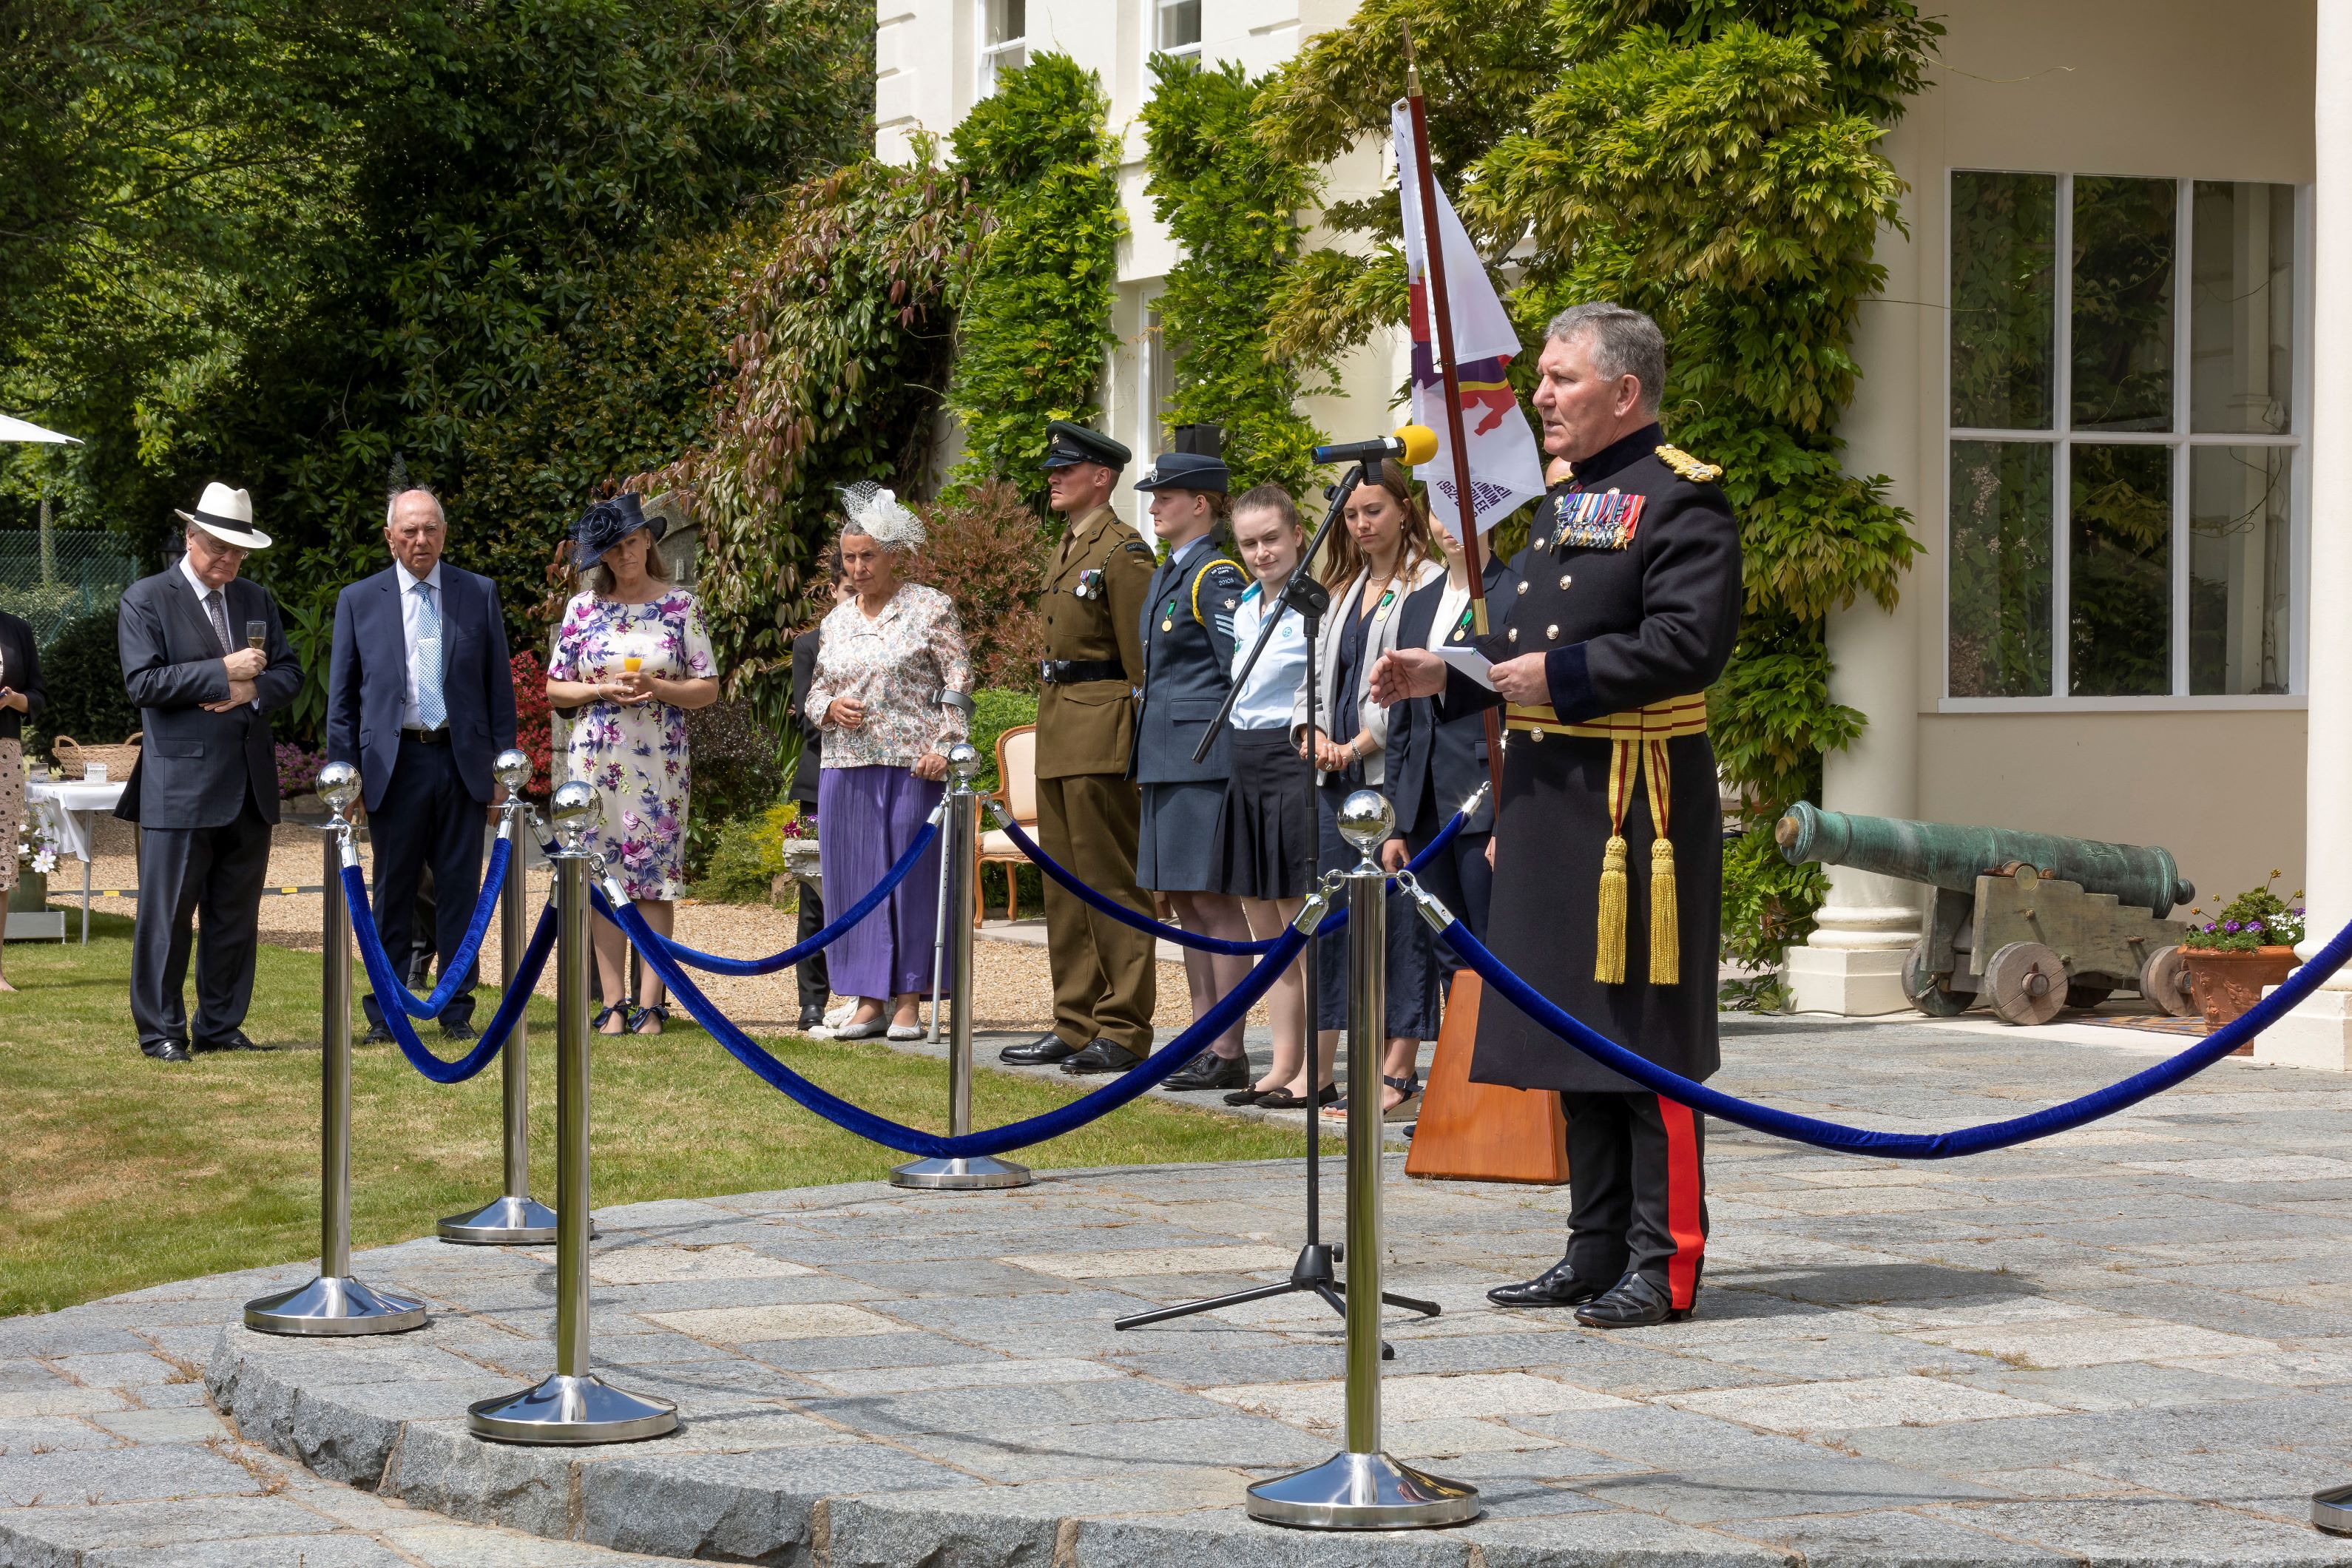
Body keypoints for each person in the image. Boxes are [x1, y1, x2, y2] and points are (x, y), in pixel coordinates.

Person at [1372, 302, 1742, 1328]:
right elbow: (1519, 633)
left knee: (1641, 1036)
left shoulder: (1683, 502)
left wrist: (1557, 676)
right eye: (1541, 378)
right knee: (1576, 1038)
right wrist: (1443, 671)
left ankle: (1663, 1260)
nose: (1539, 396)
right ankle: (1591, 1248)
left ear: (1624, 392)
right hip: (1549, 802)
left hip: (1637, 810)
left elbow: (1684, 646)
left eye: (1561, 379)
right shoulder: (1569, 499)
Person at [115, 483, 303, 1061]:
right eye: (219, 546)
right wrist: (221, 670)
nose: (229, 559)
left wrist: (251, 687)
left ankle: (220, 1027)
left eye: (239, 551)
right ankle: (161, 1032)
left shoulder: (255, 597)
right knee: (167, 920)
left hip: (248, 786)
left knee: (233, 921)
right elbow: (142, 684)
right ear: (190, 537)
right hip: (179, 788)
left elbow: (291, 673)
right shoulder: (147, 599)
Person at [328, 487, 518, 1044]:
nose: (420, 539)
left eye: (430, 528)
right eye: (409, 530)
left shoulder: (477, 593)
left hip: (463, 762)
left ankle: (457, 1008)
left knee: (461, 890)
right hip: (394, 762)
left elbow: (497, 691)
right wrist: (347, 779)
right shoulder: (359, 599)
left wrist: (502, 776)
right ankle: (386, 1014)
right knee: (391, 891)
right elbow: (343, 699)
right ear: (390, 537)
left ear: (444, 533)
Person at [999, 422, 1160, 1071]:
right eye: (1052, 470)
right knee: (1064, 885)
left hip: (1103, 729)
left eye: (1067, 469)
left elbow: (1143, 666)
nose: (1053, 478)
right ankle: (1074, 1021)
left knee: (1110, 884)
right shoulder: (1068, 545)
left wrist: (1140, 749)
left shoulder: (1123, 552)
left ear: (1102, 476)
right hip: (1060, 724)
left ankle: (1122, 1028)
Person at [1295, 460, 1447, 1120]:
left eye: (1373, 511)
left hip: (1390, 776)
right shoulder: (1340, 586)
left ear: (1405, 510)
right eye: (1351, 514)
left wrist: (1358, 743)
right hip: (1336, 778)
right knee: (1336, 924)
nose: (1360, 524)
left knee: (1399, 924)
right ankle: (1339, 1067)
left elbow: (1411, 694)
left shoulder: (1429, 585)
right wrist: (1311, 732)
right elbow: (1318, 671)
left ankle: (1397, 1071)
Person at [546, 493, 720, 1034]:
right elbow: (555, 688)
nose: (624, 555)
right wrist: (600, 687)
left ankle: (653, 1003)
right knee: (602, 881)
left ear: (649, 541)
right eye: (613, 548)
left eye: (631, 542)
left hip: (659, 760)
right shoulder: (582, 608)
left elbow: (708, 689)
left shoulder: (680, 608)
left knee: (653, 879)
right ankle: (614, 1004)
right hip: (595, 758)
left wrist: (657, 687)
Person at [803, 483, 970, 1041]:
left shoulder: (931, 606)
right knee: (855, 884)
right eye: (850, 557)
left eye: (868, 556)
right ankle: (866, 1001)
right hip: (844, 765)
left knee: (912, 883)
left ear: (894, 555)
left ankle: (908, 1001)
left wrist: (945, 745)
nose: (857, 567)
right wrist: (828, 706)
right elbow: (813, 691)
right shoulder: (836, 621)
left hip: (912, 765)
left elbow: (959, 682)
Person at [1118, 450, 1252, 1089]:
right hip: (1169, 759)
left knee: (1214, 904)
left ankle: (1228, 1046)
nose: (1154, 505)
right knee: (1188, 910)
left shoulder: (1215, 575)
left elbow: (1238, 675)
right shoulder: (1174, 572)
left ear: (1200, 503)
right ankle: (1205, 1036)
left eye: (1165, 496)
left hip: (1201, 760)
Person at [1210, 485, 1319, 1109]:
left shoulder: (1314, 606)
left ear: (1297, 532)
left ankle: (1313, 1068)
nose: (1260, 552)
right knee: (1265, 929)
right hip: (1244, 760)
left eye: (1271, 538)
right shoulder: (1247, 604)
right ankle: (1281, 1065)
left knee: (1296, 921)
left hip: (1291, 757)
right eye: (1249, 542)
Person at [1388, 511, 1520, 970]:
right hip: (1424, 800)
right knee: (1445, 946)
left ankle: (1492, 1044)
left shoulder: (1514, 592)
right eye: (1440, 511)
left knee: (1490, 940)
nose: (1452, 526)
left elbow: (1520, 714)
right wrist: (1396, 820)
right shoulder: (1419, 602)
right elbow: (1401, 719)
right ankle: (1457, 1042)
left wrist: (1510, 820)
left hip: (1483, 795)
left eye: (1465, 511)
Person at [785, 567, 850, 1033]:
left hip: (876, 779)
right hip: (820, 782)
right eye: (848, 587)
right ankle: (813, 1000)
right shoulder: (811, 645)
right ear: (833, 589)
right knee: (816, 898)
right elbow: (808, 724)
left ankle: (872, 997)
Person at [0, 607, 43, 994]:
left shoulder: (16, 628)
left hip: (3, 754)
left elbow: (38, 696)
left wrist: (13, 700)